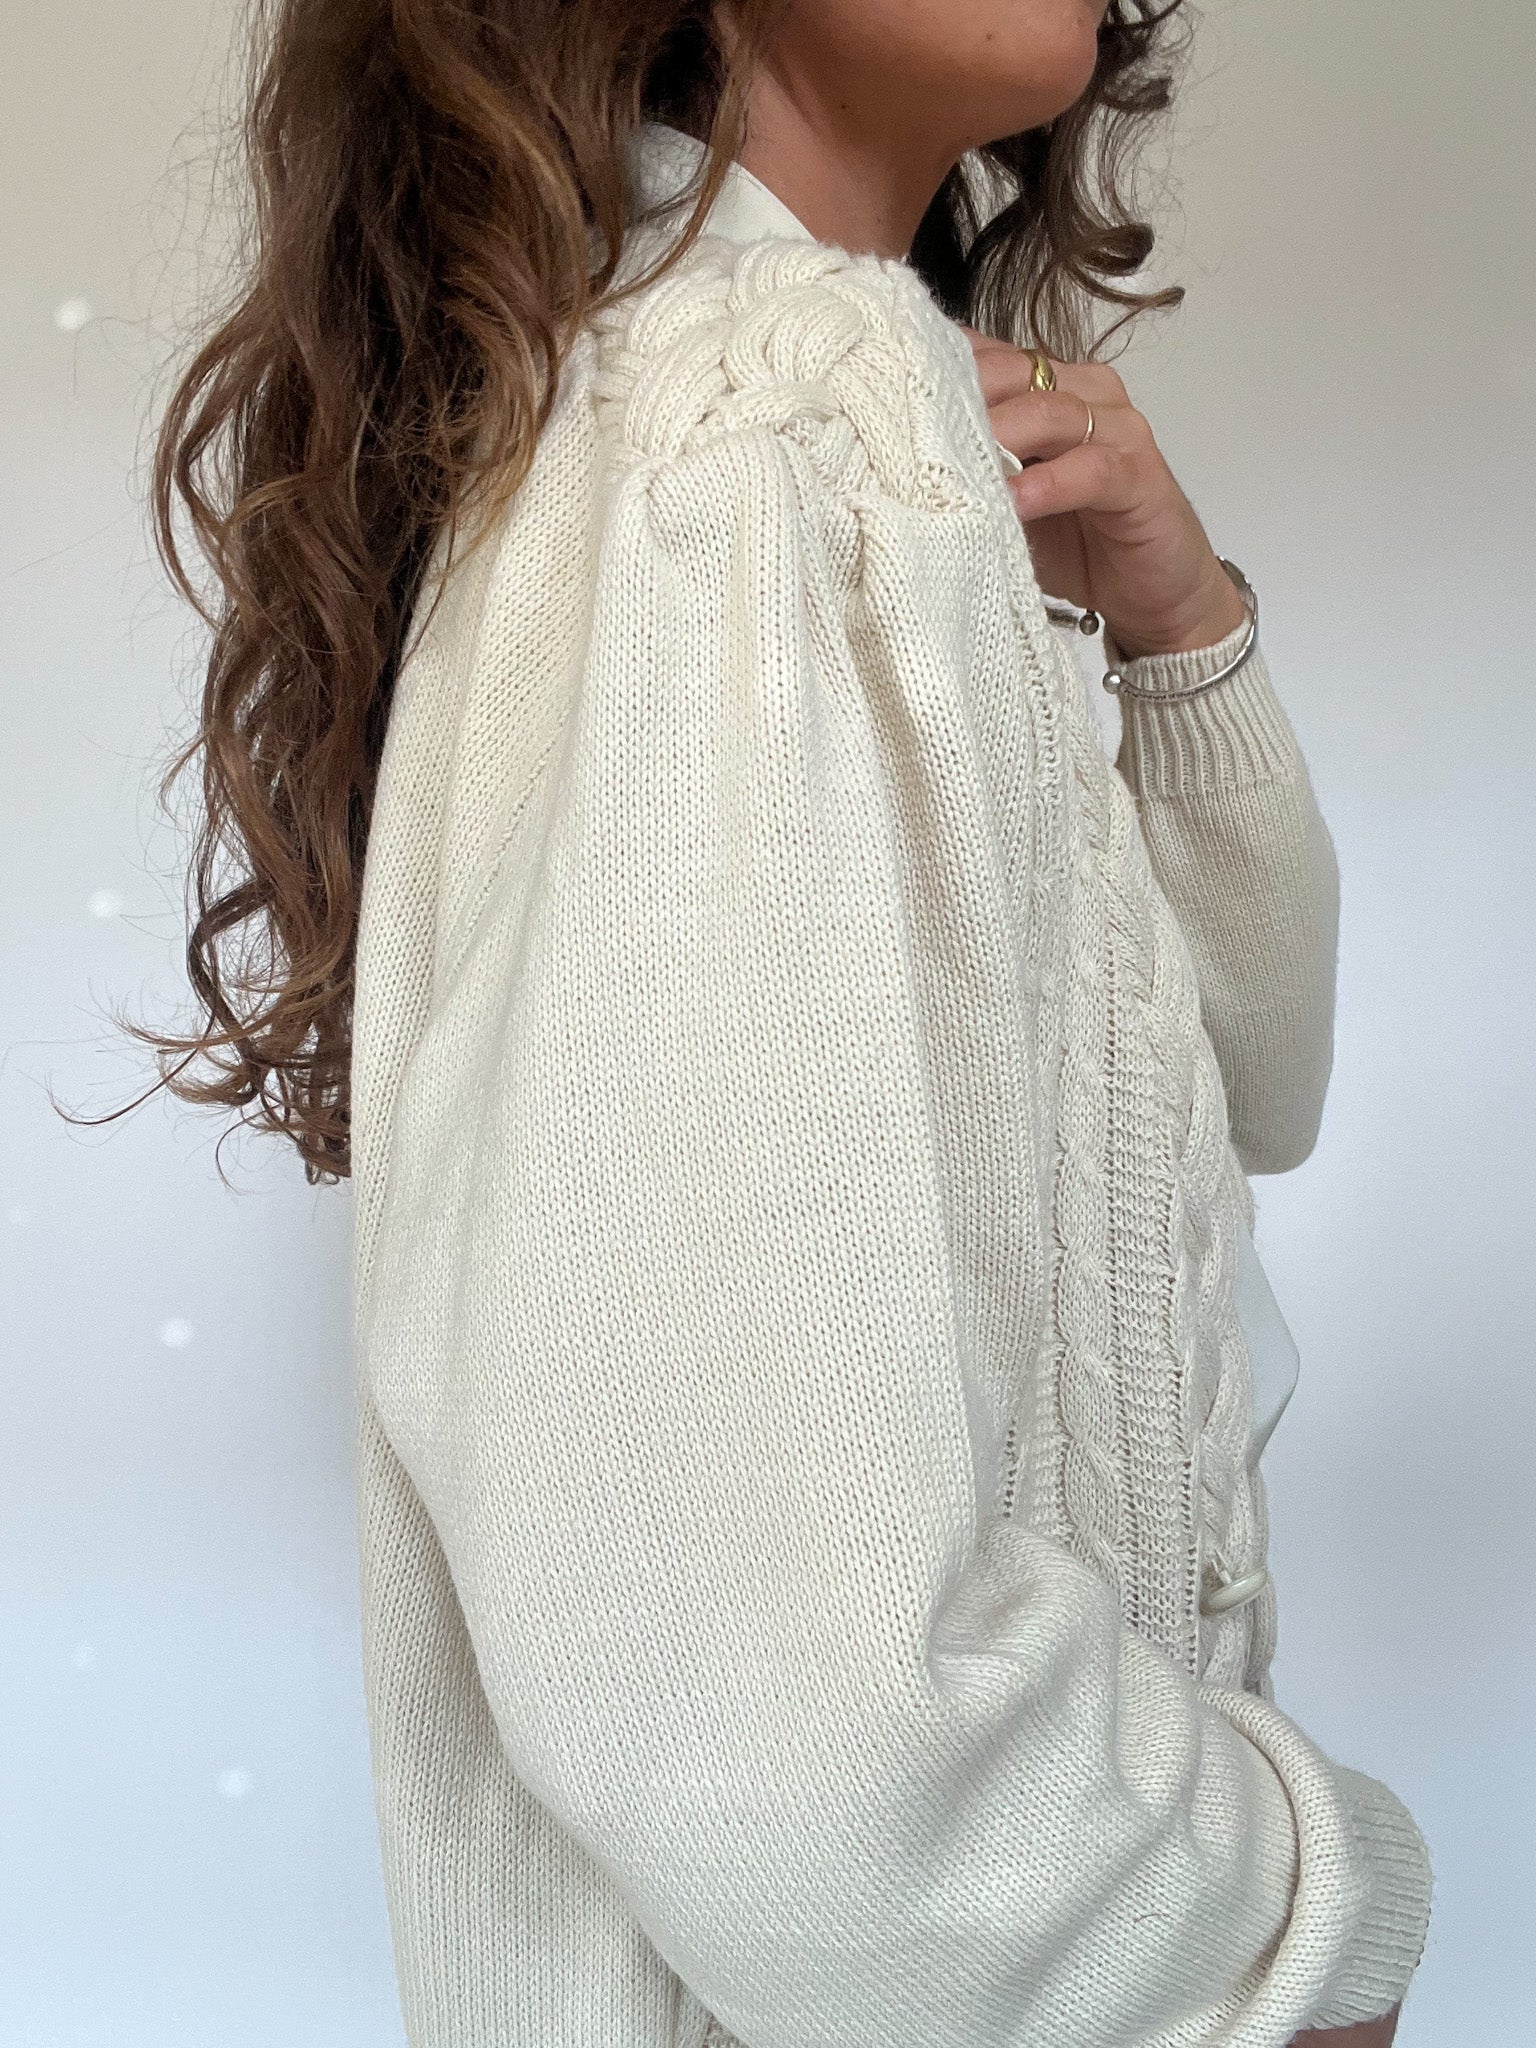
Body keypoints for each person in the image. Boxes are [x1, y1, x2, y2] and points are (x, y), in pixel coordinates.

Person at [132, 0, 1432, 2041]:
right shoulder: (750, 436)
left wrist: (1182, 635)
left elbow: (1260, 1084)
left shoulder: (825, 428)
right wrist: (1288, 1942)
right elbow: (775, 1722)